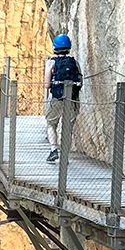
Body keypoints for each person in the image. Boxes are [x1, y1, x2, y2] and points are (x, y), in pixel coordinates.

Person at [44, 34, 83, 162]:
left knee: (51, 124)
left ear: (55, 47)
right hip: (72, 99)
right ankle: (65, 154)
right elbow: (80, 80)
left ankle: (53, 150)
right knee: (68, 128)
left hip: (56, 98)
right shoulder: (74, 62)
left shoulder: (51, 62)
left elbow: (47, 84)